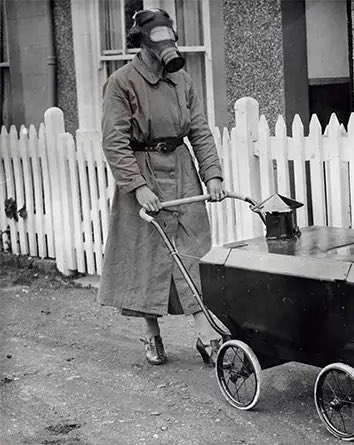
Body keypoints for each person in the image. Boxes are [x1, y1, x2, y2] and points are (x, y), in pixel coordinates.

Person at [97, 8, 228, 366]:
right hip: (143, 172)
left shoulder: (182, 81)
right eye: (158, 41)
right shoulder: (121, 82)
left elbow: (199, 130)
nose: (167, 47)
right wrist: (137, 187)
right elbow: (114, 142)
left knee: (193, 250)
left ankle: (206, 334)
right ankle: (151, 335)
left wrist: (212, 174)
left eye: (171, 38)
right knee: (146, 255)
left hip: (182, 169)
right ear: (141, 44)